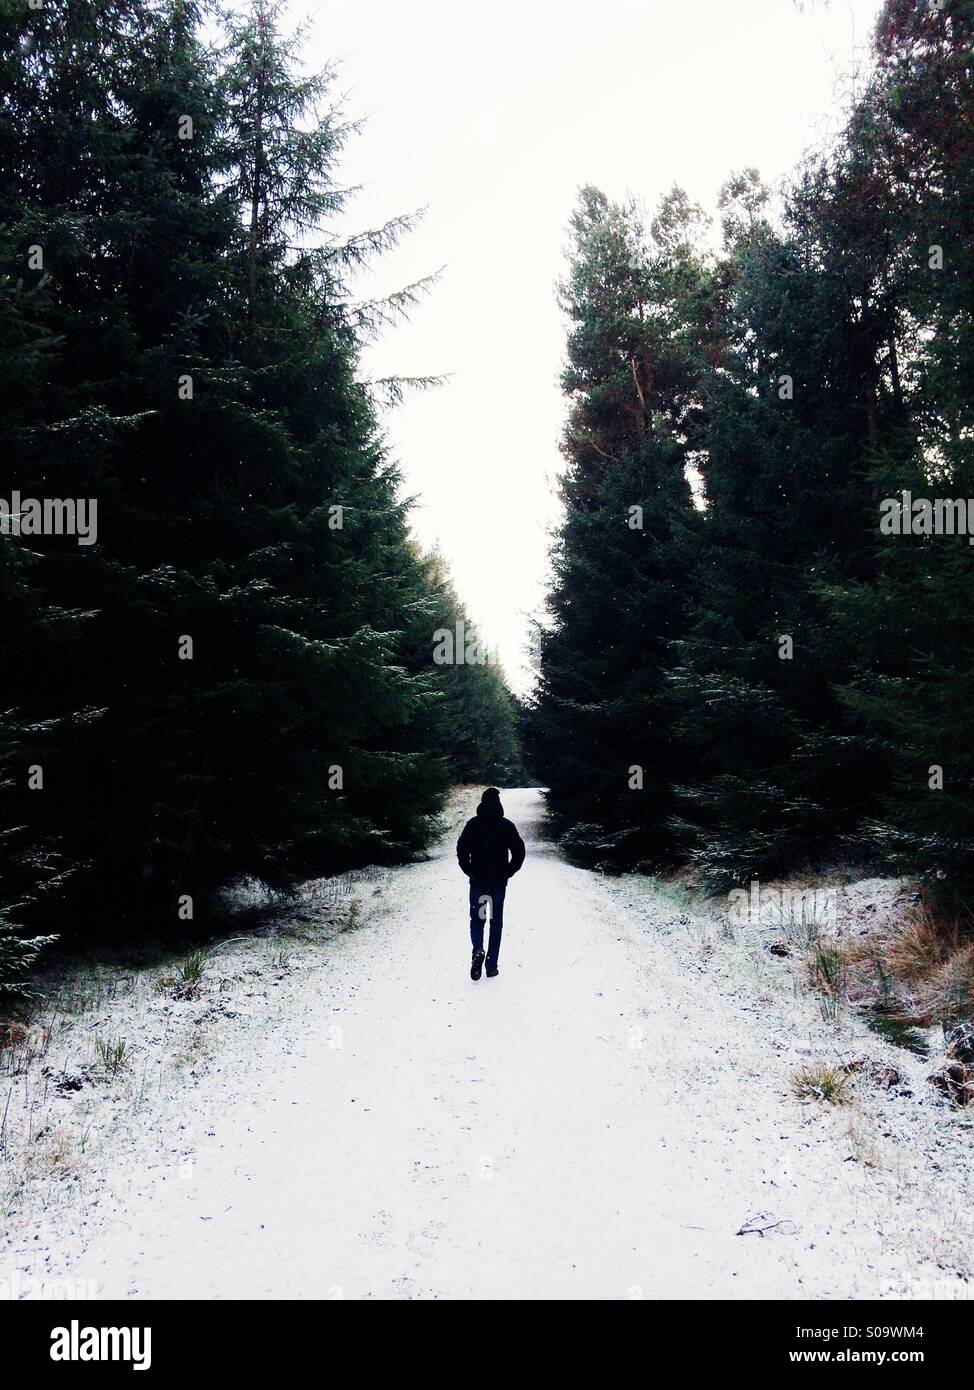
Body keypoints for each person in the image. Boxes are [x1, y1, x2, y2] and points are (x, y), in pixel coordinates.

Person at [456, 787, 525, 980]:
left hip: (479, 885)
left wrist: (469, 870)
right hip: (497, 886)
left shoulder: (473, 825)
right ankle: (491, 965)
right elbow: (519, 852)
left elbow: (462, 849)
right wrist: (508, 872)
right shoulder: (506, 826)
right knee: (496, 923)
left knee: (478, 920)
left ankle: (478, 949)